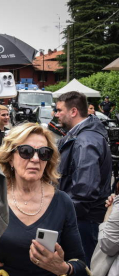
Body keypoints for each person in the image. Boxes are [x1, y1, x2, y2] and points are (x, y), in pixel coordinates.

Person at [0, 123, 88, 276]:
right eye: (26, 151)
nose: (36, 159)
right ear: (10, 158)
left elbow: (80, 263)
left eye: (43, 153)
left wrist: (64, 269)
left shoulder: (62, 202)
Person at [56, 91, 112, 266]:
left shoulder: (85, 140)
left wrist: (62, 216)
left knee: (80, 266)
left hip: (83, 221)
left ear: (73, 111)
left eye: (59, 110)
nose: (56, 114)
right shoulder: (82, 135)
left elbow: (85, 189)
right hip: (82, 219)